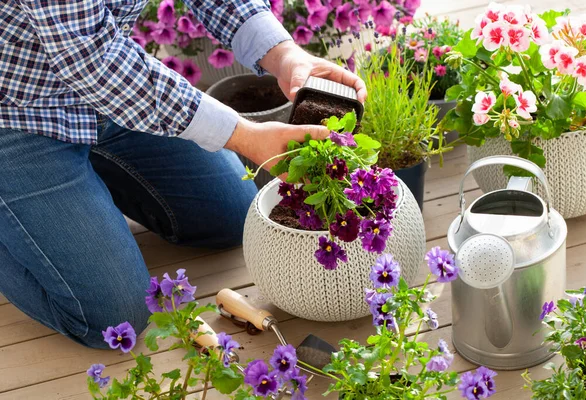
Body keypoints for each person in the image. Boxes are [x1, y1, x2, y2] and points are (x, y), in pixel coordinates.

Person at [0, 0, 366, 348]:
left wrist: (285, 55)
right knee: (113, 319)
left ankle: (74, 186)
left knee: (229, 214)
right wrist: (246, 136)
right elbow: (92, 60)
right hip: (18, 112)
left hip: (111, 95)